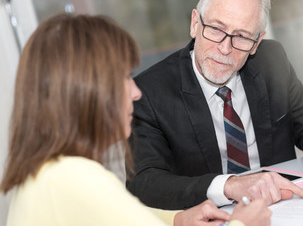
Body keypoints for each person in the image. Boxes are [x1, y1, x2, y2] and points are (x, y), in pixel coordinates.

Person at [0, 14, 271, 226]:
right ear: (85, 91)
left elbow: (115, 217)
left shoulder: (48, 173)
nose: (136, 91)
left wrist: (176, 220)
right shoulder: (73, 179)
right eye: (123, 78)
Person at [126, 0, 303, 210]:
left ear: (256, 42)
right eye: (216, 28)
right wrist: (228, 186)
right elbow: (144, 182)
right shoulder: (148, 93)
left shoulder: (271, 61)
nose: (225, 48)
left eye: (242, 36)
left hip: (286, 206)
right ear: (195, 23)